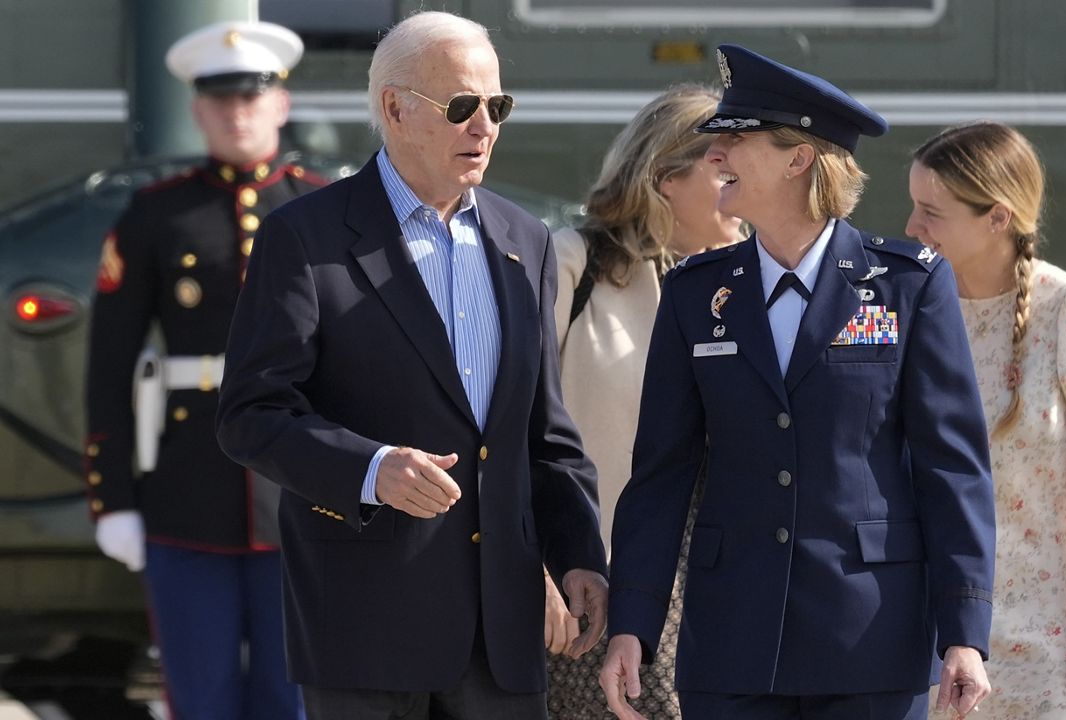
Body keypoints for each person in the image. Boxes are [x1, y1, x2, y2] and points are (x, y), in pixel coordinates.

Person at [214, 11, 609, 720]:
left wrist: (579, 556)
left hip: (500, 638)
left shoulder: (527, 242)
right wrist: (369, 469)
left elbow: (543, 435)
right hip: (365, 632)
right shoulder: (304, 237)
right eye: (461, 107)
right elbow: (250, 414)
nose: (483, 126)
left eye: (497, 106)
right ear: (394, 109)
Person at [600, 45, 997, 720]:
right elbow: (661, 474)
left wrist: (965, 634)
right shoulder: (696, 292)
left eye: (737, 138)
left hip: (871, 644)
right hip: (731, 647)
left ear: (798, 158)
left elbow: (951, 468)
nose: (716, 155)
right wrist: (631, 621)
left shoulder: (906, 285)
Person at [84, 19, 323, 720]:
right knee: (201, 699)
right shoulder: (156, 215)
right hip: (185, 497)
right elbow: (110, 364)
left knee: (294, 700)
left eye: (252, 98)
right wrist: (114, 497)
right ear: (197, 110)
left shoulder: (323, 207)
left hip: (302, 499)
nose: (236, 112)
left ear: (280, 104)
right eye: (220, 100)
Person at [907, 121, 1066, 720]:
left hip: (1042, 641)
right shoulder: (902, 309)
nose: (911, 227)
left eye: (931, 212)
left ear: (997, 217)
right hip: (925, 637)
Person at [545, 84, 743, 719]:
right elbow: (512, 425)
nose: (741, 183)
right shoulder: (572, 263)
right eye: (723, 168)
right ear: (664, 178)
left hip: (726, 591)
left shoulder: (752, 280)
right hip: (593, 587)